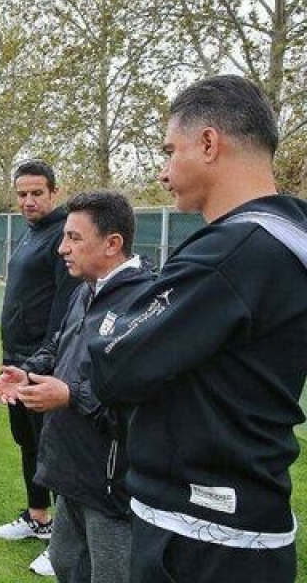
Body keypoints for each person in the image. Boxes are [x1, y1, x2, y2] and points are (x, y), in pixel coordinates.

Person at [88, 75, 307, 583]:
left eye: (169, 151)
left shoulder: (231, 255)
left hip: (200, 538)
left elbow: (113, 359)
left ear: (209, 143)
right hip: (249, 523)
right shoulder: (287, 232)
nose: (163, 171)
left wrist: (111, 312)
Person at [0, 191, 151, 582]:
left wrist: (69, 395)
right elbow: (57, 345)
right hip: (70, 469)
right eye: (64, 236)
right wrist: (26, 373)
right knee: (66, 563)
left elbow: (138, 389)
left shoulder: (145, 300)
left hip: (110, 481)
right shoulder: (85, 289)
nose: (62, 248)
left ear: (113, 244)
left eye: (74, 238)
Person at [0, 160, 81, 575]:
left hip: (43, 365)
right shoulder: (30, 234)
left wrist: (39, 364)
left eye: (36, 193)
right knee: (27, 444)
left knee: (53, 450)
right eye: (22, 194)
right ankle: (37, 518)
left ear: (53, 192)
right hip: (17, 361)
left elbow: (64, 313)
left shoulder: (62, 237)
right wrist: (12, 359)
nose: (28, 201)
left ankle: (64, 543)